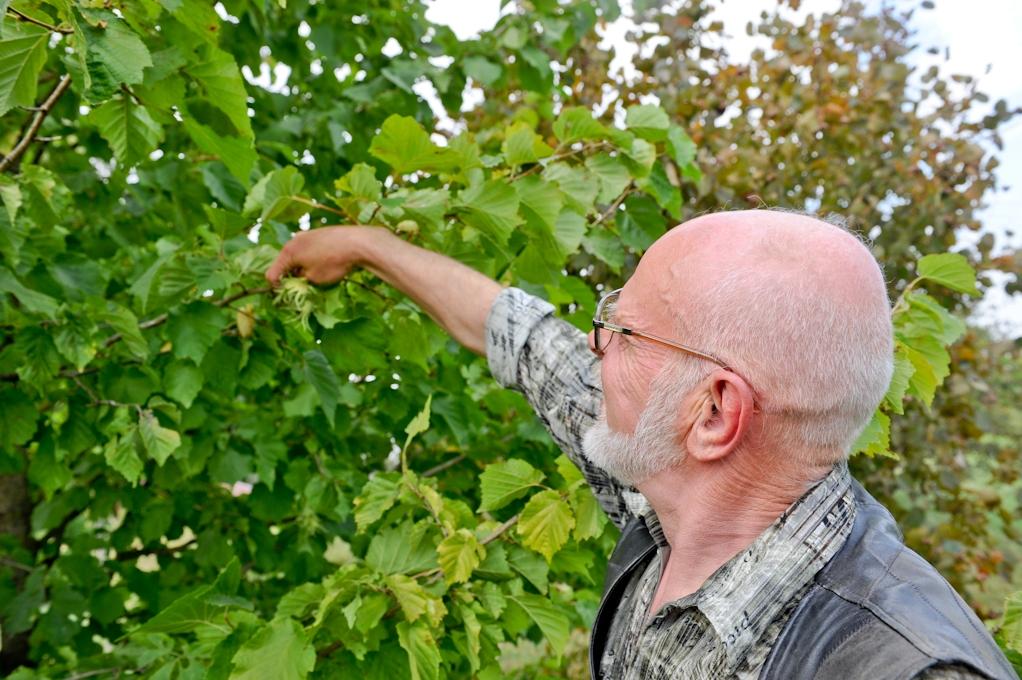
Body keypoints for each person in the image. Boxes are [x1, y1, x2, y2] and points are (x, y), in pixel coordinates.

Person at [265, 210, 1015, 680]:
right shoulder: (669, 484)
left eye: (622, 332)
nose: (592, 349)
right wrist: (366, 246)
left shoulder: (898, 667)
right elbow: (522, 339)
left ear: (716, 413)